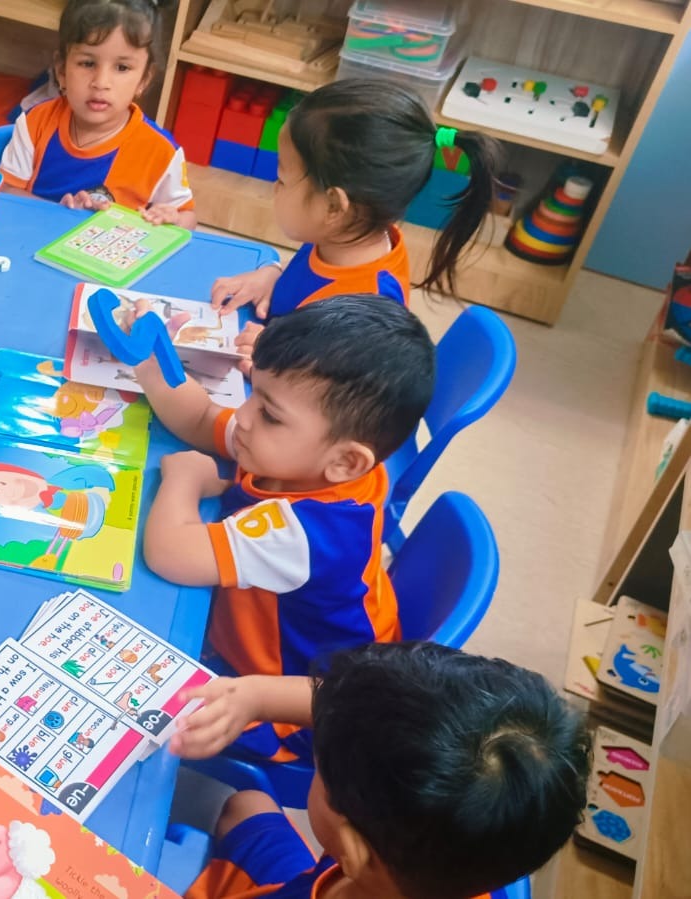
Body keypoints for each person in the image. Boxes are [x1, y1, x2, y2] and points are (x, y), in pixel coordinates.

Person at [136, 295, 433, 757]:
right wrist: (151, 367)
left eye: (270, 414)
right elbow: (202, 417)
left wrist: (184, 480)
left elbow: (169, 553)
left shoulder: (305, 531)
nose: (244, 415)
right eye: (254, 392)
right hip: (307, 647)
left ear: (346, 461)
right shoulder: (309, 456)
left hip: (298, 704)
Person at [172, 642, 590, 899]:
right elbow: (350, 711)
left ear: (352, 848)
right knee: (247, 803)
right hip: (319, 879)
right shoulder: (456, 847)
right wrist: (257, 696)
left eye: (322, 765)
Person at [212, 79, 502, 353]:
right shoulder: (346, 236)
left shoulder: (364, 314)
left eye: (282, 179)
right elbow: (312, 276)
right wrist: (274, 275)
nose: (275, 188)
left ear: (334, 206)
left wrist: (272, 356)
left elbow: (331, 387)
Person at [0, 0, 197, 228]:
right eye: (87, 63)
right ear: (61, 70)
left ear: (144, 79)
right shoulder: (35, 122)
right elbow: (5, 191)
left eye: (122, 67)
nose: (101, 82)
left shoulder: (161, 151)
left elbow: (188, 218)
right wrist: (60, 213)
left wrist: (173, 219)